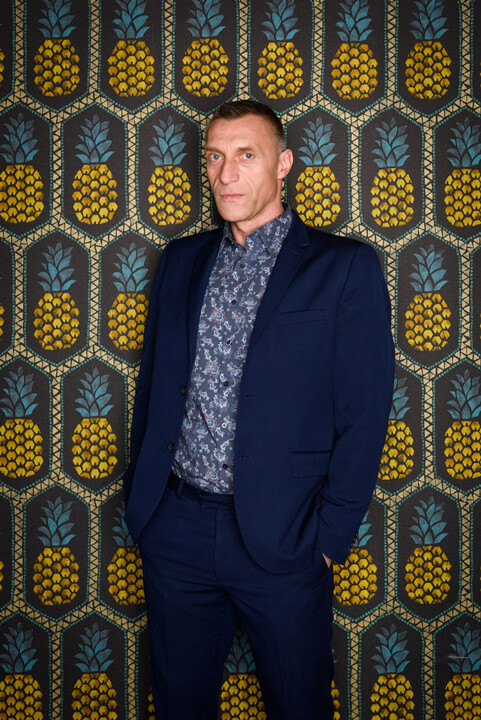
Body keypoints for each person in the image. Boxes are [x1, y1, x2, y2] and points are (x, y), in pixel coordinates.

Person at [123, 99, 395, 719]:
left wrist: (329, 538)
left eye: (246, 155)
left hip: (286, 536)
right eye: (214, 157)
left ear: (283, 164)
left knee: (299, 706)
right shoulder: (181, 259)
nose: (226, 174)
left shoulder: (342, 266)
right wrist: (147, 508)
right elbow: (155, 384)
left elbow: (366, 411)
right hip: (176, 529)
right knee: (179, 705)